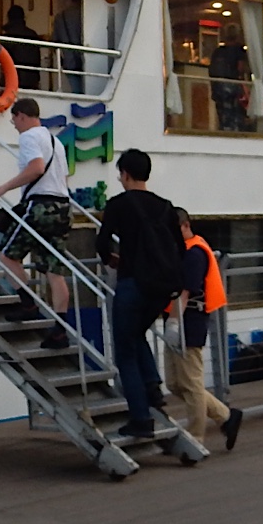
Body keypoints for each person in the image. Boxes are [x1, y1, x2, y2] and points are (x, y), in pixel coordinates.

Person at [94, 148, 185, 441]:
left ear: (125, 174)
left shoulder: (119, 204)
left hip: (133, 283)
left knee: (125, 350)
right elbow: (180, 249)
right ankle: (153, 388)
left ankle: (141, 419)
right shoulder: (166, 207)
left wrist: (111, 259)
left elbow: (102, 242)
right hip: (161, 288)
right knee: (136, 334)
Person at [0, 98, 73, 332]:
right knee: (54, 270)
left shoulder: (29, 137)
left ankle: (27, 303)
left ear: (22, 115)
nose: (14, 124)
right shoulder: (55, 141)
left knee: (6, 254)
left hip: (40, 206)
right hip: (63, 207)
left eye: (14, 119)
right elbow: (62, 178)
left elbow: (37, 168)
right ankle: (60, 329)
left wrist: (3, 188)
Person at [168, 209, 243, 449]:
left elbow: (186, 292)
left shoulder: (195, 253)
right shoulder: (184, 250)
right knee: (174, 383)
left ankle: (195, 437)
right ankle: (226, 416)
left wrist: (174, 323)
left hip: (189, 319)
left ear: (186, 225)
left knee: (191, 383)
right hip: (179, 317)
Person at [208, 25, 252, 132]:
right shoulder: (239, 51)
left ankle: (224, 131)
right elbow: (240, 69)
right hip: (233, 86)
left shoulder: (218, 51)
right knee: (235, 116)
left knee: (223, 115)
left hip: (219, 88)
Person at [52, 0, 85, 94]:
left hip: (70, 61)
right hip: (89, 60)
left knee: (76, 92)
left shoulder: (60, 17)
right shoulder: (86, 14)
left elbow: (55, 41)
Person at [2, 4, 42, 80]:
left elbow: (0, 58)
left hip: (12, 79)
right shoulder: (33, 34)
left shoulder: (7, 36)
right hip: (32, 78)